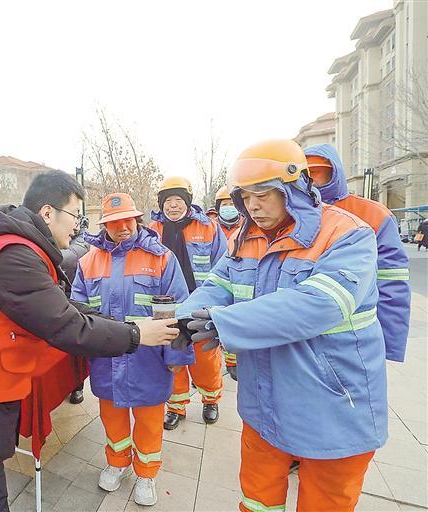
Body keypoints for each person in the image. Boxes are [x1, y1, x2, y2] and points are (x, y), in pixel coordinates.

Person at [0, 170, 182, 512]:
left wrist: (127, 325)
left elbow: (64, 306)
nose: (78, 226)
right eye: (75, 215)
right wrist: (137, 335)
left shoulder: (12, 248)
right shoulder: (15, 256)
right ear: (48, 212)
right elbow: (67, 326)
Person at [177, 139, 387, 512]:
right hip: (263, 405)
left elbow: (320, 304)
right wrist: (184, 318)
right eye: (245, 197)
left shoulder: (347, 234)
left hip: (332, 407)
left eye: (262, 194)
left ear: (295, 188)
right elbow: (217, 286)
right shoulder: (244, 237)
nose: (252, 206)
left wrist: (224, 322)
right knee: (257, 501)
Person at [71, 193, 193, 506]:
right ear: (104, 225)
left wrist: (176, 356)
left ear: (138, 219)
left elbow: (178, 310)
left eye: (128, 220)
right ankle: (117, 462)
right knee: (112, 418)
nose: (123, 227)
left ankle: (146, 473)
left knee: (150, 421)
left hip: (149, 361)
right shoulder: (87, 262)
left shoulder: (161, 258)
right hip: (107, 360)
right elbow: (78, 314)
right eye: (115, 222)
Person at [304, 144, 411, 363]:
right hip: (302, 338)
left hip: (356, 344)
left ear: (335, 172)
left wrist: (390, 346)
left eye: (317, 172)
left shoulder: (374, 214)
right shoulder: (291, 215)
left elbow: (392, 282)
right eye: (305, 174)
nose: (311, 180)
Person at [147, 176, 226, 429]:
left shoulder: (209, 228)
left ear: (188, 202)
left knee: (206, 359)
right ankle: (176, 406)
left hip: (201, 305)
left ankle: (210, 399)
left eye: (178, 200)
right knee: (173, 357)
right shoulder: (152, 231)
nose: (172, 205)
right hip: (166, 306)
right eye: (167, 200)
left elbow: (223, 265)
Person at [60, 215, 91, 404]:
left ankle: (77, 386)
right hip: (56, 294)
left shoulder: (83, 240)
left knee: (75, 348)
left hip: (73, 297)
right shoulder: (56, 236)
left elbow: (68, 258)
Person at [213, 184, 243, 380]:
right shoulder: (213, 227)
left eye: (231, 203)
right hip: (219, 281)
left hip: (239, 280)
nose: (228, 207)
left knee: (234, 322)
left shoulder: (247, 225)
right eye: (224, 204)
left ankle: (233, 362)